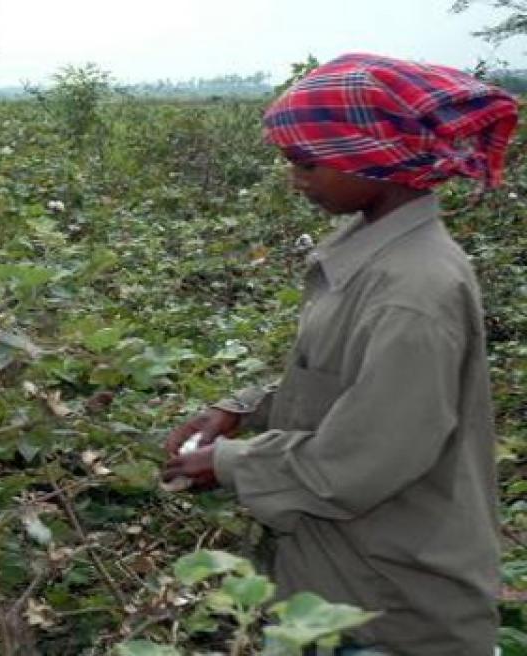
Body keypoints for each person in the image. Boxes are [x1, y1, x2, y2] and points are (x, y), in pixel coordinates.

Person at [161, 53, 517, 655]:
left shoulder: (414, 290)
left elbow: (362, 458)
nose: (296, 179)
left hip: (391, 614)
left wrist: (227, 463)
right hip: (343, 586)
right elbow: (346, 389)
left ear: (373, 155)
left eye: (306, 162)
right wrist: (244, 411)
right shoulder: (370, 257)